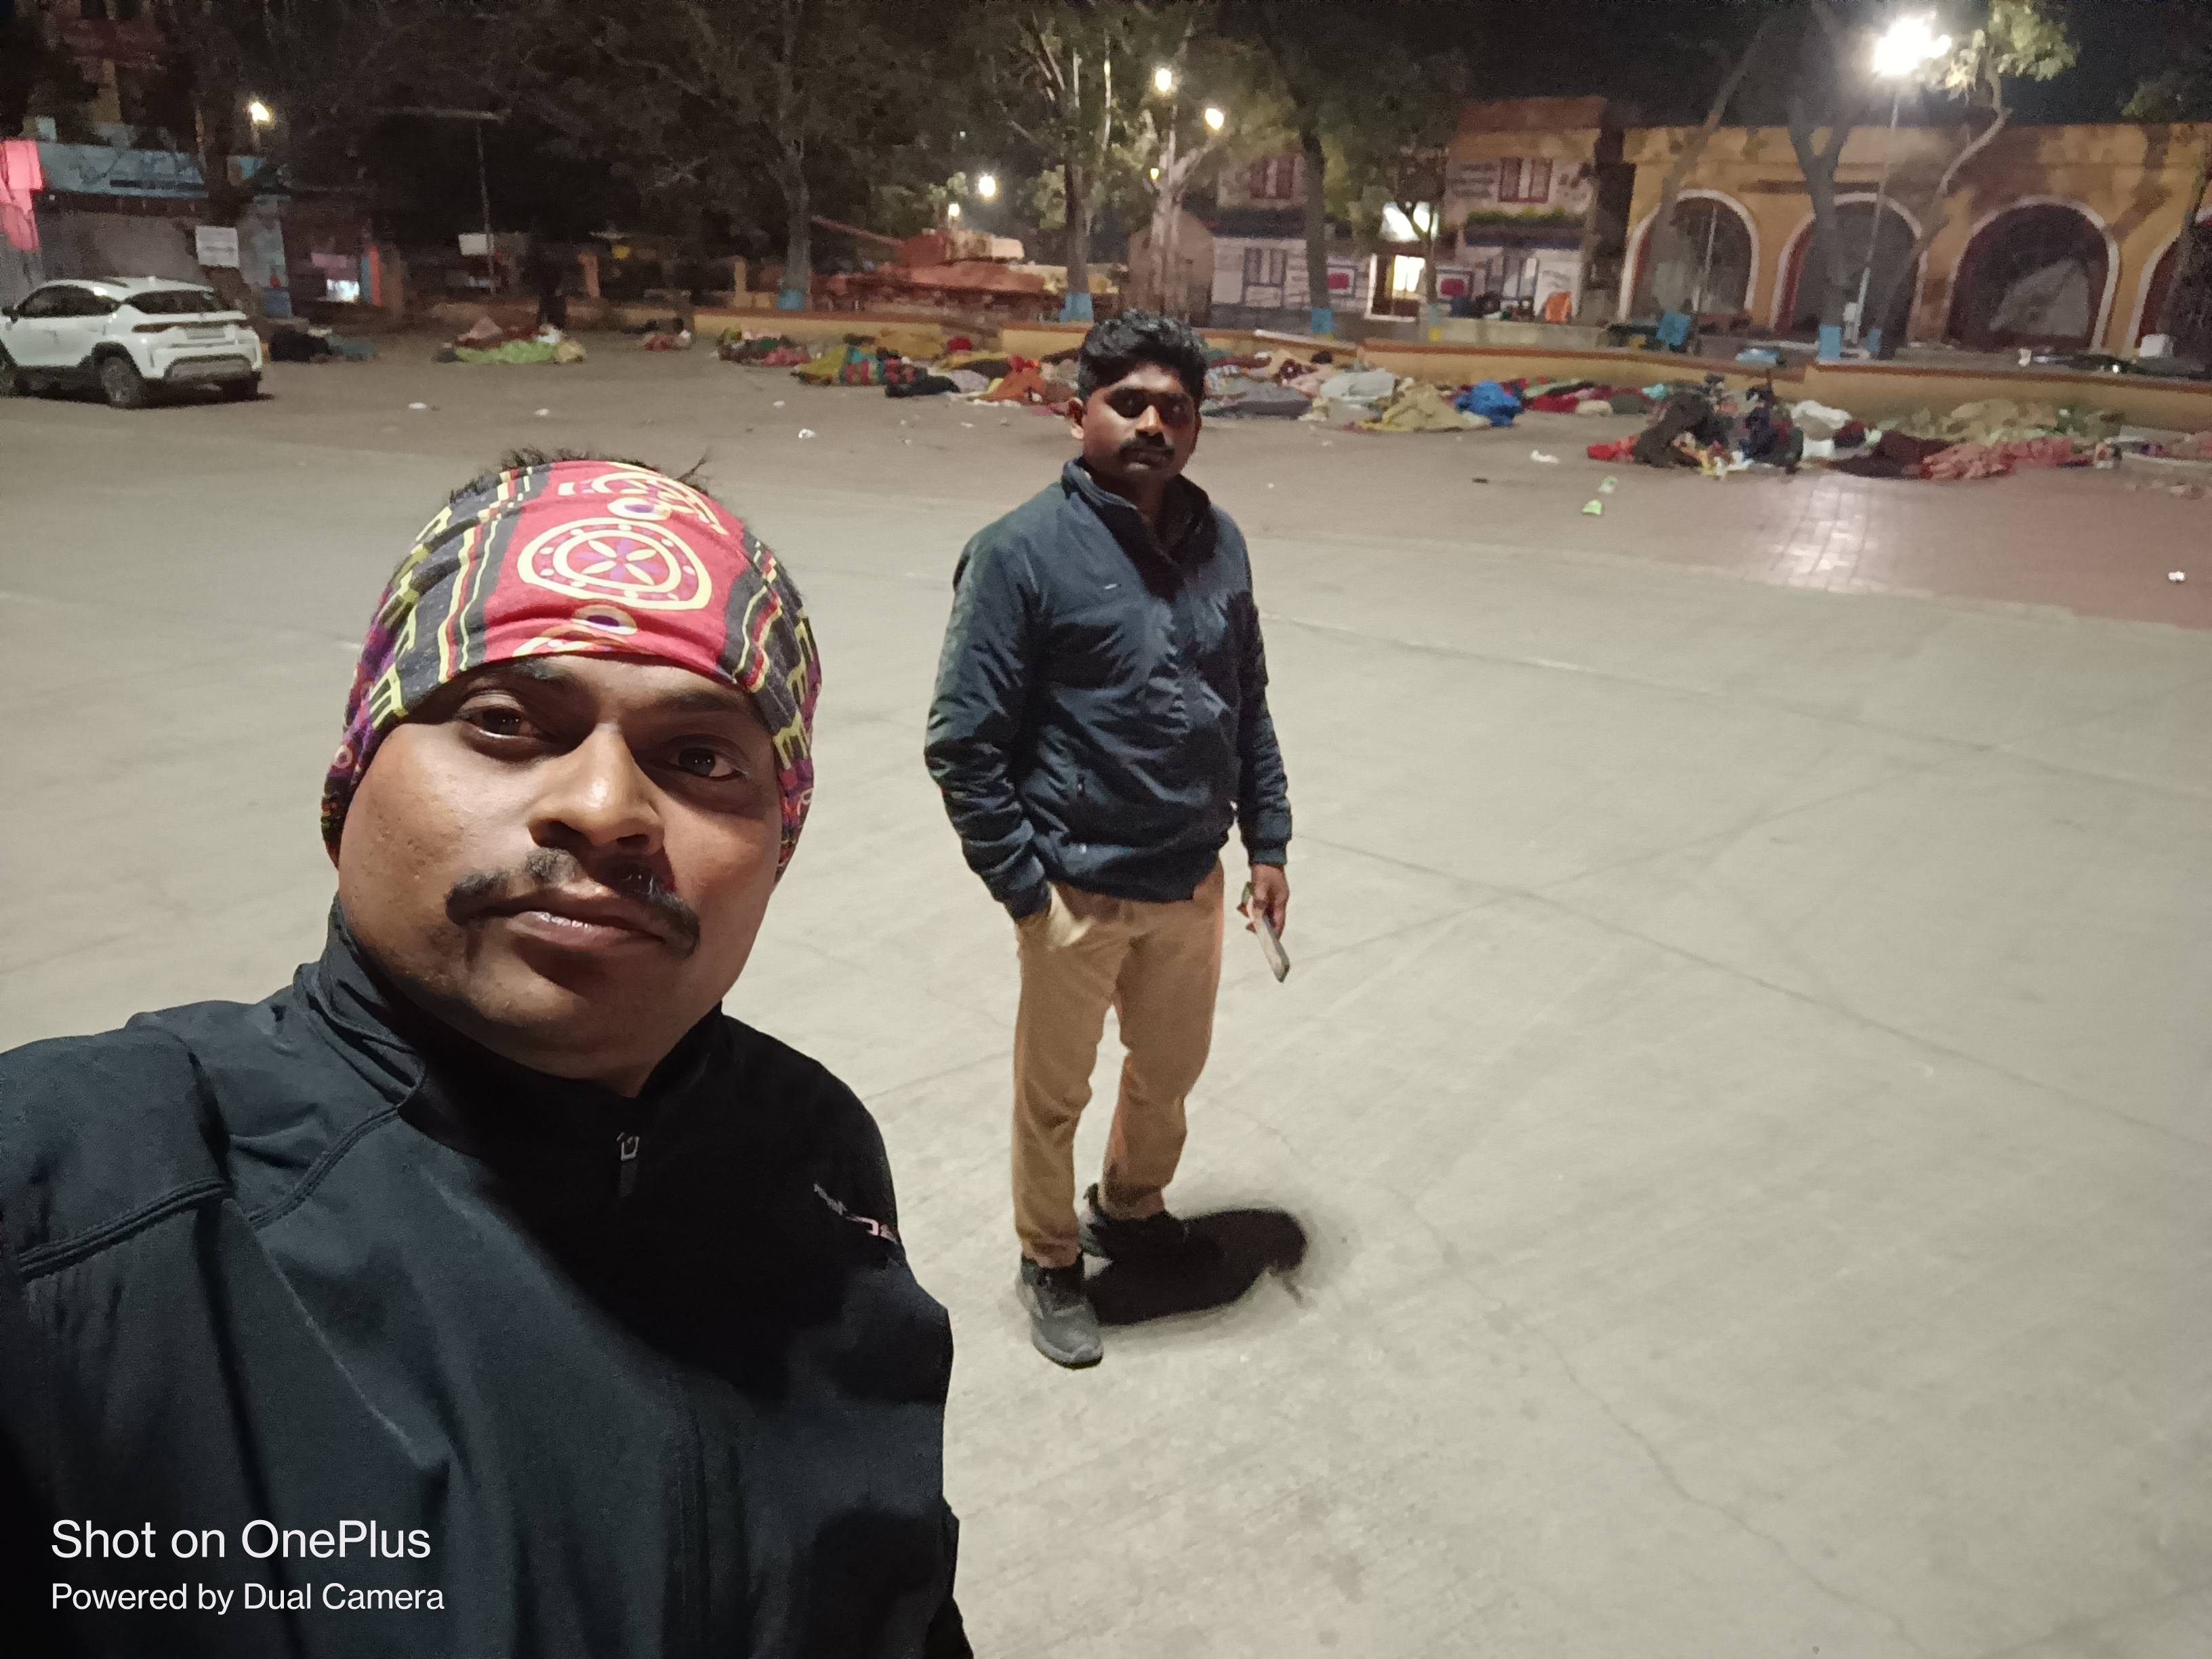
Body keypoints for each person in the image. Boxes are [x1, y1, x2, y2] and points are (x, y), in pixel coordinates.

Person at [0, 453, 970, 1658]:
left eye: (702, 760)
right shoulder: (83, 1215)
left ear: (780, 843)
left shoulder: (814, 1150)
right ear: (354, 775)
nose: (606, 807)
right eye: (506, 724)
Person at [924, 311, 1292, 1370]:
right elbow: (963, 743)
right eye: (1127, 403)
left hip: (1190, 880)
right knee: (1054, 1097)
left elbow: (1247, 704)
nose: (1152, 425)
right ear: (1076, 410)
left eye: (1175, 409)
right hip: (1074, 887)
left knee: (1168, 1072)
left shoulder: (1221, 543)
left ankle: (1129, 1208)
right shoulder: (1019, 553)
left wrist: (1267, 843)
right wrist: (1025, 888)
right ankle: (1049, 1260)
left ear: (1197, 425)